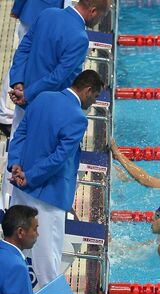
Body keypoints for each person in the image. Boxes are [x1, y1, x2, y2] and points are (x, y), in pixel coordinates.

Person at [4, 0, 110, 198]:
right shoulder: (79, 37)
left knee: (16, 153)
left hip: (24, 100)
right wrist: (29, 94)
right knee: (39, 165)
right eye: (102, 16)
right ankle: (24, 218)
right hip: (49, 109)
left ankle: (7, 208)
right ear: (93, 11)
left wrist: (19, 83)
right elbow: (58, 76)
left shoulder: (48, 14)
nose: (100, 20)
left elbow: (23, 48)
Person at [7, 69, 103, 289]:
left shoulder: (43, 98)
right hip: (48, 195)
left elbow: (20, 133)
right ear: (88, 91)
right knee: (48, 262)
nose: (93, 102)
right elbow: (59, 158)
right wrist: (30, 176)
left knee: (16, 248)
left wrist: (15, 165)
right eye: (95, 97)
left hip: (21, 187)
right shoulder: (77, 117)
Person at [0, 0, 64, 135]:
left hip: (45, 14)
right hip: (38, 14)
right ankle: (4, 113)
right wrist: (18, 8)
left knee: (24, 61)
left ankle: (7, 111)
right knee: (21, 62)